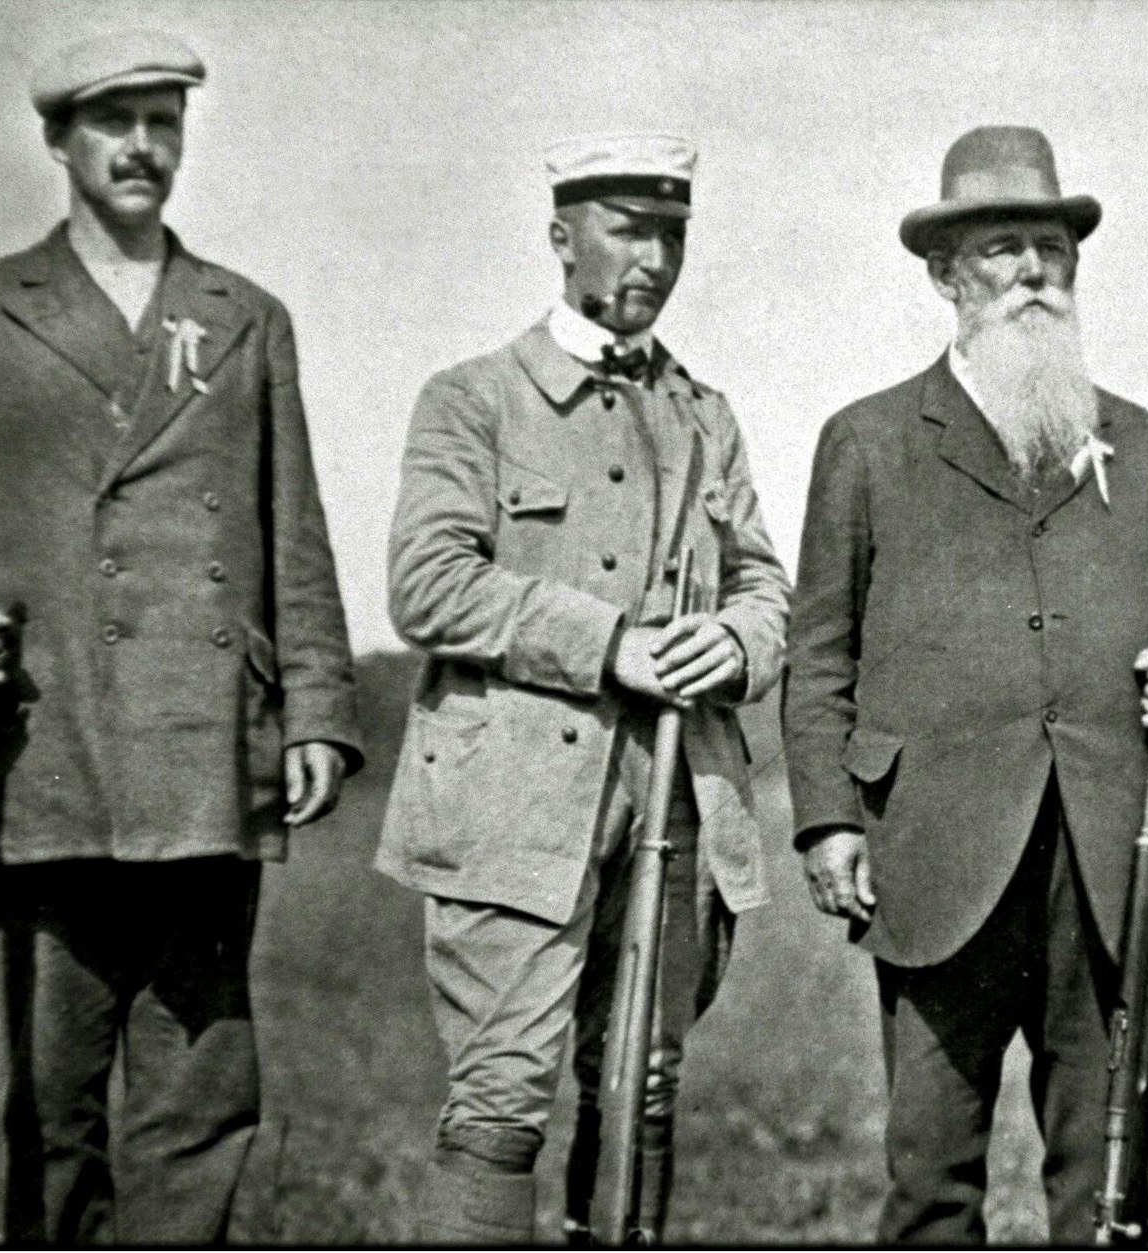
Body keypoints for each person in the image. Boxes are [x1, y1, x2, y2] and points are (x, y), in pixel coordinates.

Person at [0, 30, 362, 1243]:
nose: (143, 148)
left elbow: (289, 526)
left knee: (200, 1098)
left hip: (203, 755)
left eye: (163, 123)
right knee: (52, 1097)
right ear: (56, 140)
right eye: (112, 123)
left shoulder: (244, 316)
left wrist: (316, 710)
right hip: (47, 758)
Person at [782, 125, 1148, 1244]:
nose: (1031, 271)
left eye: (1048, 246)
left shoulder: (1143, 444)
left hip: (1105, 853)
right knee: (931, 1177)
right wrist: (828, 820)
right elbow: (818, 649)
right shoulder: (869, 441)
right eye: (999, 249)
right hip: (934, 855)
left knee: (1108, 1180)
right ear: (945, 277)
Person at [378, 132, 789, 1244]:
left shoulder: (705, 413)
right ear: (561, 237)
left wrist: (740, 644)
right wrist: (607, 643)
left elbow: (762, 581)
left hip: (672, 809)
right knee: (503, 1096)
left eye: (671, 232)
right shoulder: (471, 398)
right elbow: (424, 583)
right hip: (508, 808)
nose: (652, 256)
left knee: (644, 1084)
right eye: (626, 227)